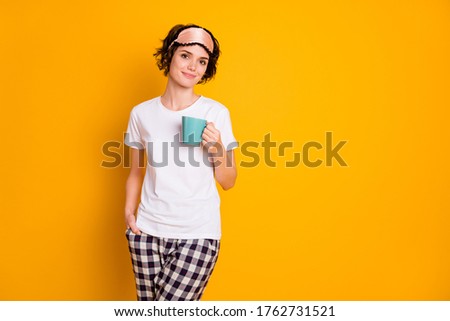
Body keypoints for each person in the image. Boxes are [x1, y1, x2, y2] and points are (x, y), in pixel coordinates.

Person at [123, 24, 237, 301]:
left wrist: (217, 148)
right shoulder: (141, 114)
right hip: (147, 231)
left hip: (198, 233)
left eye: (202, 61)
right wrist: (129, 215)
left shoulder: (215, 112)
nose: (192, 67)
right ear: (170, 55)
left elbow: (228, 182)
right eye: (186, 56)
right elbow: (136, 171)